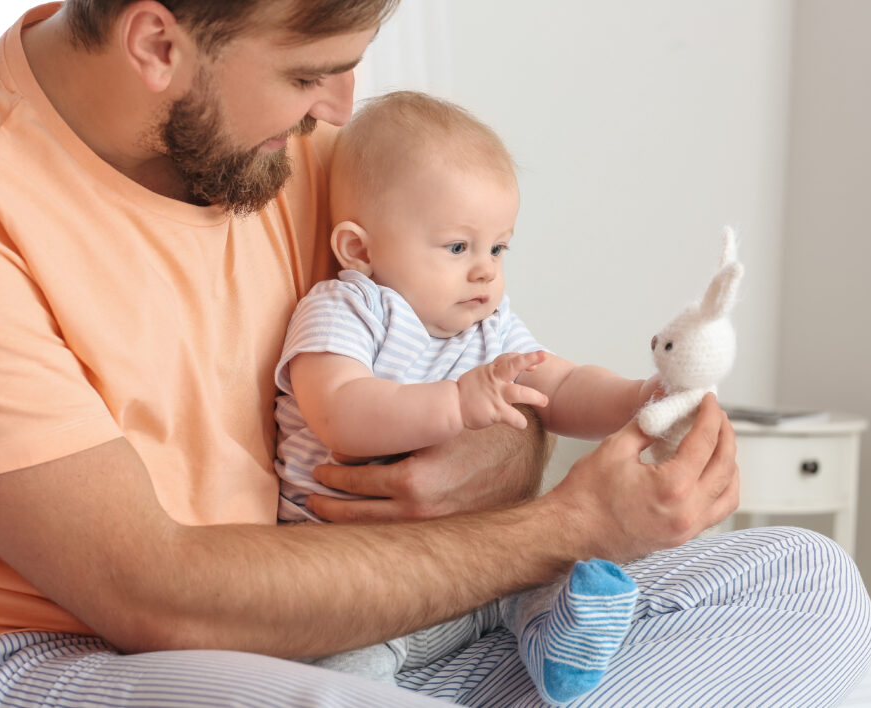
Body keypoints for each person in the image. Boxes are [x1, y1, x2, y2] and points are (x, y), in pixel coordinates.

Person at [0, 2, 871, 707]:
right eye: (311, 73)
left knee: (804, 587)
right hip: (57, 657)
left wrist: (507, 452)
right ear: (155, 42)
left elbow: (474, 370)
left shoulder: (286, 146)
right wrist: (565, 525)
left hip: (353, 620)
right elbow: (148, 591)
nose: (341, 106)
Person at [274, 91, 659, 704]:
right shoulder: (348, 308)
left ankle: (558, 640)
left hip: (469, 565)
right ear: (361, 250)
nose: (485, 270)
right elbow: (340, 412)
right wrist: (453, 405)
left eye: (498, 248)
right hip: (353, 576)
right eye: (458, 248)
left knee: (542, 569)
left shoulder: (490, 323)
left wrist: (638, 399)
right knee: (345, 657)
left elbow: (556, 385)